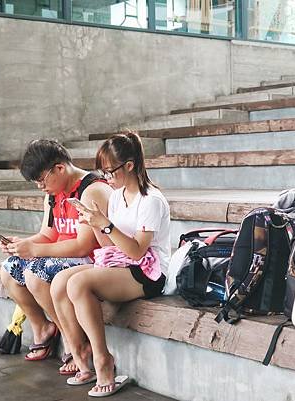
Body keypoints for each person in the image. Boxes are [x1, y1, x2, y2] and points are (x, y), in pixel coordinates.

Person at [51, 131, 170, 397]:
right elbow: (111, 247)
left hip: (149, 272)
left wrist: (105, 224)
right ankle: (81, 356)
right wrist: (94, 224)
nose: (107, 178)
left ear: (129, 165)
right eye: (102, 172)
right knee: (61, 282)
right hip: (122, 263)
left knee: (80, 283)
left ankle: (103, 361)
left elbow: (138, 252)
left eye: (110, 171)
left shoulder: (150, 199)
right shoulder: (117, 196)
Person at [0, 139, 112, 373]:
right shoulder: (53, 193)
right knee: (9, 268)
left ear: (59, 168)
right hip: (60, 257)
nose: (40, 187)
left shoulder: (91, 190)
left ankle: (75, 341)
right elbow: (47, 234)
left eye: (42, 180)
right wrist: (21, 245)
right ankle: (43, 328)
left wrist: (36, 251)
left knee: (35, 273)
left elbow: (83, 245)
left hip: (92, 261)